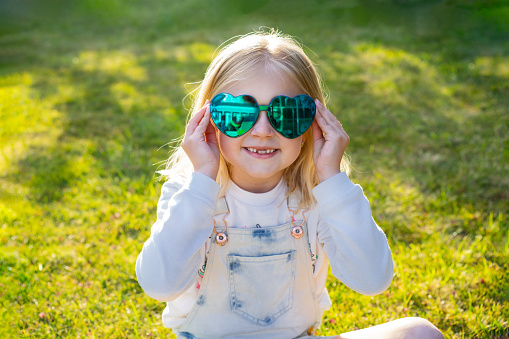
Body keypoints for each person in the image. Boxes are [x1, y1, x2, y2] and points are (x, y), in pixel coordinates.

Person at [136, 30, 443, 339]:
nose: (262, 131)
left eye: (286, 114)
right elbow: (159, 285)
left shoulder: (317, 199)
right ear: (208, 121)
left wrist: (333, 180)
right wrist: (202, 179)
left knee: (419, 332)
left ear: (314, 123)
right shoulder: (190, 195)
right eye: (238, 114)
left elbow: (373, 279)